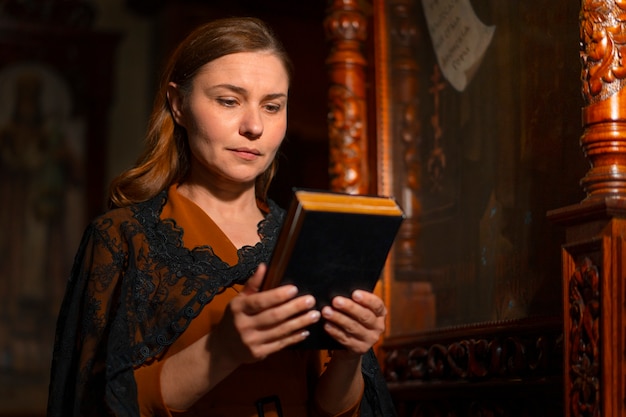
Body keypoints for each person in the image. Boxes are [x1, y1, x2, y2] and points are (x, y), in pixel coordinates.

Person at [47, 17, 397, 417]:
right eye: (229, 101)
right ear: (178, 104)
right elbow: (96, 406)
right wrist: (222, 350)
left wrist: (351, 354)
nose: (254, 126)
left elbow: (330, 407)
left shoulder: (306, 237)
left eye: (272, 106)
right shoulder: (123, 238)